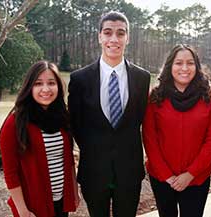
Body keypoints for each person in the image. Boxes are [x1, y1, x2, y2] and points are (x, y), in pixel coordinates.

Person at [68, 11, 150, 217]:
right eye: (108, 32)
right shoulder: (80, 79)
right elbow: (75, 125)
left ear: (128, 38)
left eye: (120, 33)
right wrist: (96, 148)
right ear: (99, 37)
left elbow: (140, 119)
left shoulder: (142, 78)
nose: (114, 39)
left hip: (129, 170)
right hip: (94, 170)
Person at [142, 44, 211, 217]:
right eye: (179, 63)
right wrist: (167, 175)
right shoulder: (156, 96)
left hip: (196, 179)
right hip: (162, 178)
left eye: (190, 63)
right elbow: (150, 138)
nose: (184, 68)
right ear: (170, 66)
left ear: (197, 66)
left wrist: (190, 174)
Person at [0, 60, 79, 217]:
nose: (45, 89)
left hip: (61, 203)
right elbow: (10, 174)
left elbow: (68, 159)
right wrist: (23, 211)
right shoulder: (15, 123)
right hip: (33, 206)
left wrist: (74, 193)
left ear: (58, 86)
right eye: (38, 84)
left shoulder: (62, 117)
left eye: (51, 83)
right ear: (29, 87)